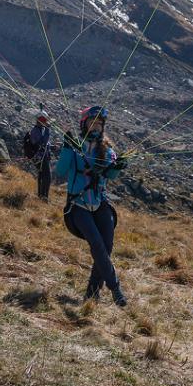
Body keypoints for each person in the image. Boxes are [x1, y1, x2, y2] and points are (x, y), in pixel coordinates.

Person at [56, 105, 128, 306]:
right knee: (97, 244)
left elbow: (110, 175)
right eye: (92, 123)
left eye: (99, 124)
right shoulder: (74, 147)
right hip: (77, 206)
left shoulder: (108, 151)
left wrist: (118, 167)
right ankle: (116, 289)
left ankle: (92, 293)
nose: (96, 127)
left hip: (101, 204)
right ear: (84, 124)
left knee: (106, 247)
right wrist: (66, 148)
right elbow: (60, 171)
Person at [25, 112, 53, 201]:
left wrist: (52, 146)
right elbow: (43, 143)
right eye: (44, 121)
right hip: (40, 157)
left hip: (41, 156)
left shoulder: (38, 130)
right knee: (47, 176)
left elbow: (43, 143)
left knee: (42, 175)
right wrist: (47, 130)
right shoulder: (36, 131)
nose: (46, 123)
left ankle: (41, 196)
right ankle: (44, 197)